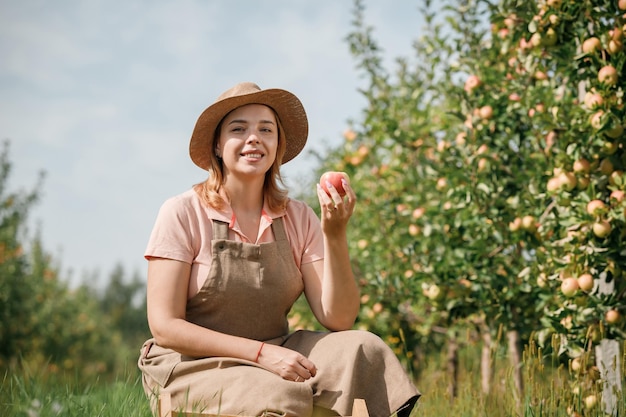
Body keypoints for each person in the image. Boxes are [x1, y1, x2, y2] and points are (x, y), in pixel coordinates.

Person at [138, 82, 420, 417]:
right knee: (275, 391)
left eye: (265, 129)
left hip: (276, 350)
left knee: (365, 348)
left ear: (277, 144)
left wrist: (335, 233)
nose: (253, 137)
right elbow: (165, 326)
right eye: (238, 128)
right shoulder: (183, 212)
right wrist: (260, 355)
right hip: (194, 364)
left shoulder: (298, 216)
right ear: (217, 144)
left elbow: (339, 317)